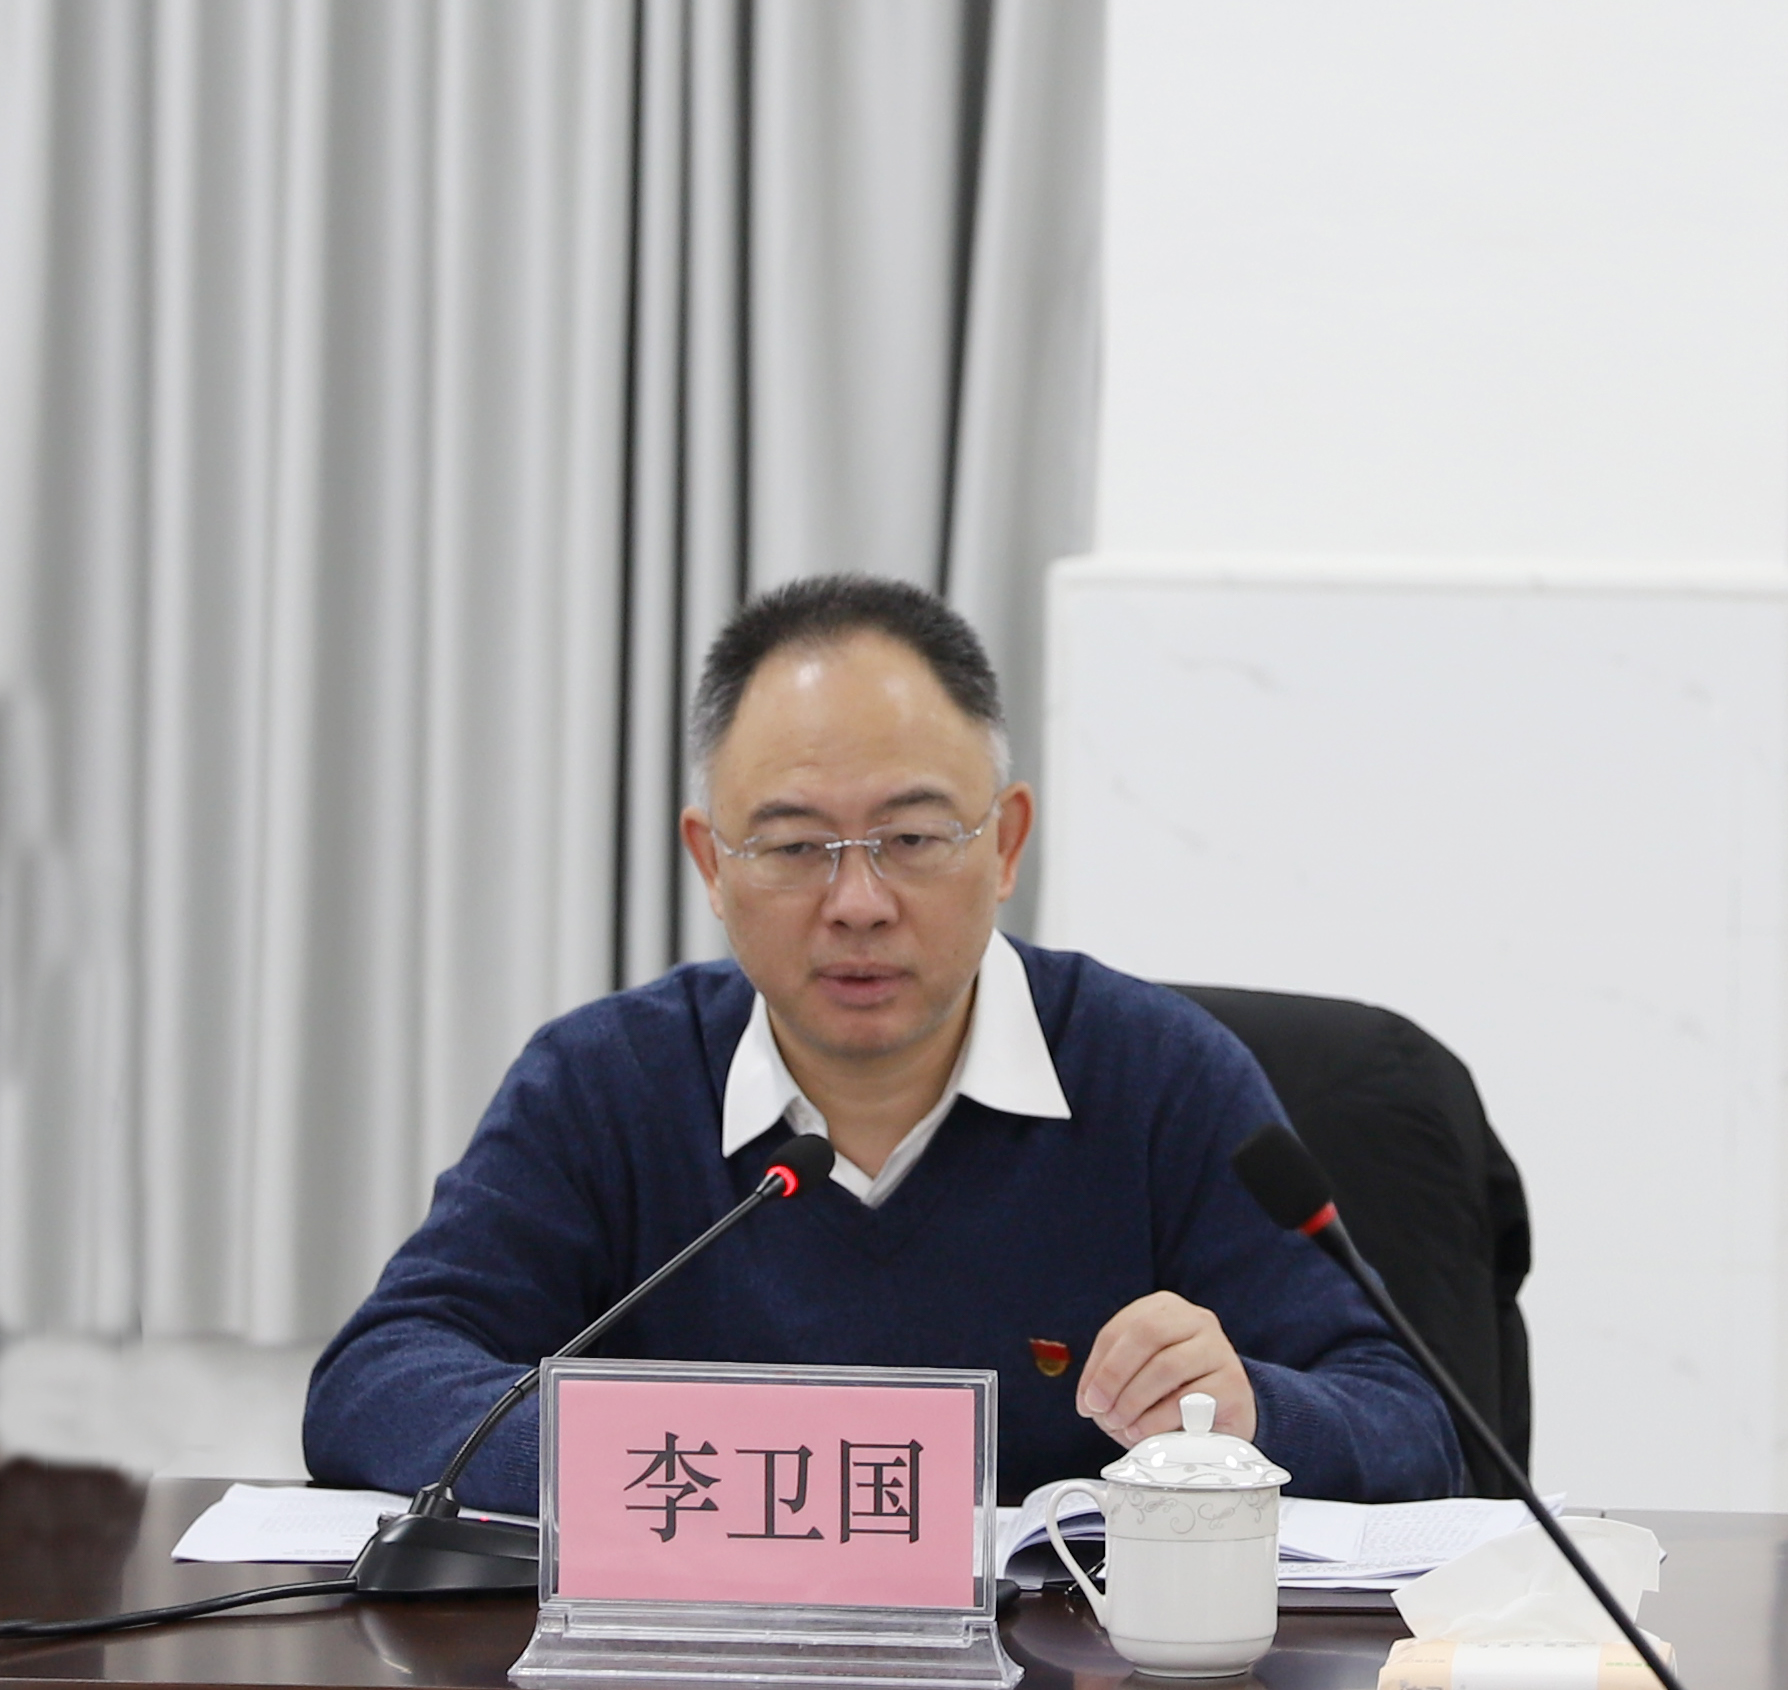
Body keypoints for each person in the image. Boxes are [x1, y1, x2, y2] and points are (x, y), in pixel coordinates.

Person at [304, 576, 1464, 1512]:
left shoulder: (1159, 1075)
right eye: (794, 847)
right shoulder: (605, 1083)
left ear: (1005, 844)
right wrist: (656, 1460)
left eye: (912, 838)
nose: (857, 903)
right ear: (711, 864)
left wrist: (1246, 1410)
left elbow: (1411, 1423)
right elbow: (377, 1377)